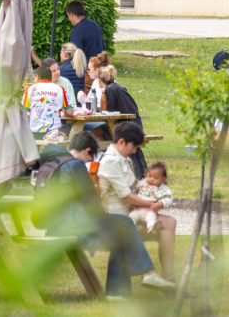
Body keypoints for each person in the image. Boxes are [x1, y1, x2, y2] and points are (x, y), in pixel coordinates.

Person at [38, 132, 176, 298]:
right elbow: (91, 199)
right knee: (124, 226)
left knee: (122, 232)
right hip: (72, 223)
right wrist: (104, 214)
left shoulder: (52, 162)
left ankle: (122, 291)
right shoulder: (75, 165)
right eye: (89, 159)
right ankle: (146, 275)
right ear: (87, 150)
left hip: (56, 222)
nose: (87, 163)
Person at [98, 122, 177, 284]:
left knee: (170, 222)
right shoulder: (111, 162)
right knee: (163, 224)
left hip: (131, 213)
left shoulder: (122, 159)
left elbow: (135, 187)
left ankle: (169, 278)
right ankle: (153, 276)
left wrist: (155, 186)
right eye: (133, 147)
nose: (134, 151)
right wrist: (154, 204)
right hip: (118, 219)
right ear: (121, 142)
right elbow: (126, 196)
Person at [94, 65, 148, 177]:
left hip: (125, 128)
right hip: (134, 125)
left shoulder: (109, 90)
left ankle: (103, 167)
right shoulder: (118, 87)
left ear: (99, 80)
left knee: (94, 134)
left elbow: (109, 114)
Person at [23, 65, 72, 140]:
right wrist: (63, 110)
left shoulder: (30, 89)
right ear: (50, 77)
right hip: (55, 133)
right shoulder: (60, 89)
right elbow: (70, 112)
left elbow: (23, 112)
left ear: (37, 77)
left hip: (35, 133)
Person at [128, 163, 174, 233]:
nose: (151, 179)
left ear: (163, 179)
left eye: (156, 178)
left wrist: (160, 204)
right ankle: (130, 229)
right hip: (138, 209)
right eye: (149, 176)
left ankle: (152, 228)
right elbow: (134, 189)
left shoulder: (162, 189)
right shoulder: (142, 184)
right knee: (131, 216)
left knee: (150, 219)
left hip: (150, 210)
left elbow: (168, 199)